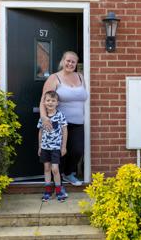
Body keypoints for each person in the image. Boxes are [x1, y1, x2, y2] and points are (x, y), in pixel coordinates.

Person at [40, 51, 88, 187]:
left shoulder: (80, 77)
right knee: (59, 152)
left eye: (73, 62)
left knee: (77, 150)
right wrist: (44, 117)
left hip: (78, 122)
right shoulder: (55, 78)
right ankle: (57, 183)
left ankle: (68, 173)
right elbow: (43, 100)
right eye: (68, 60)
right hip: (58, 123)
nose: (70, 64)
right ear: (63, 61)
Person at [37, 90, 68, 202]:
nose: (50, 102)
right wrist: (40, 147)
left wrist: (63, 146)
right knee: (47, 168)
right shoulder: (43, 117)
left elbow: (65, 131)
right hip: (45, 147)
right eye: (48, 100)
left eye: (53, 100)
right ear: (44, 102)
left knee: (55, 169)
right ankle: (48, 191)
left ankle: (59, 191)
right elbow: (40, 132)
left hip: (56, 148)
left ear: (57, 103)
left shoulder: (60, 116)